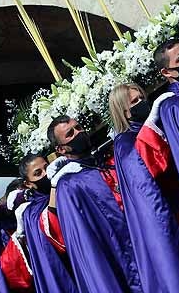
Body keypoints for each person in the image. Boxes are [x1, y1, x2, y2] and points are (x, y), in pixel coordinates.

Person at [110, 83, 179, 293]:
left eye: (141, 97)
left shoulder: (157, 122)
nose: (141, 103)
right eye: (134, 102)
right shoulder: (124, 142)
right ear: (124, 113)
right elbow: (143, 166)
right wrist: (150, 129)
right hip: (176, 212)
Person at [43, 116, 142, 293]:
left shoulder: (105, 162)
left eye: (78, 127)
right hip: (116, 253)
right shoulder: (68, 184)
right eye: (70, 134)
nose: (79, 133)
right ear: (61, 149)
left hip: (139, 239)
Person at [16, 154, 75, 293]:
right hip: (65, 265)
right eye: (38, 173)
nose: (45, 174)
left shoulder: (65, 185)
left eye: (46, 168)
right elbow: (50, 228)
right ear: (28, 183)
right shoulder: (30, 212)